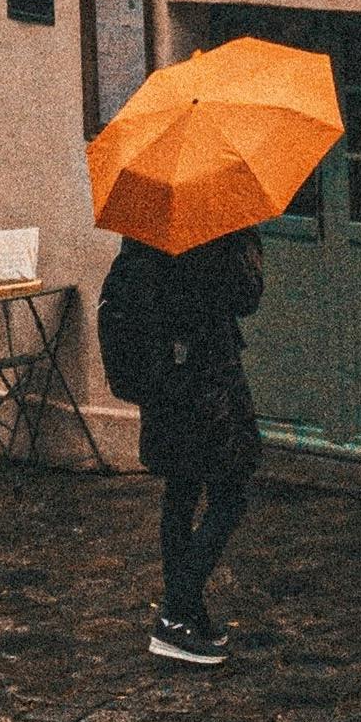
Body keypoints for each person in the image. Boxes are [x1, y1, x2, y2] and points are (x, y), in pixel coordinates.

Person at [96, 229, 265, 667]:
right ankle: (175, 612)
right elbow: (246, 296)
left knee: (182, 491)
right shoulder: (214, 230)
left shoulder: (146, 233)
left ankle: (187, 613)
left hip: (165, 382)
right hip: (205, 381)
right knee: (231, 492)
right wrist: (246, 242)